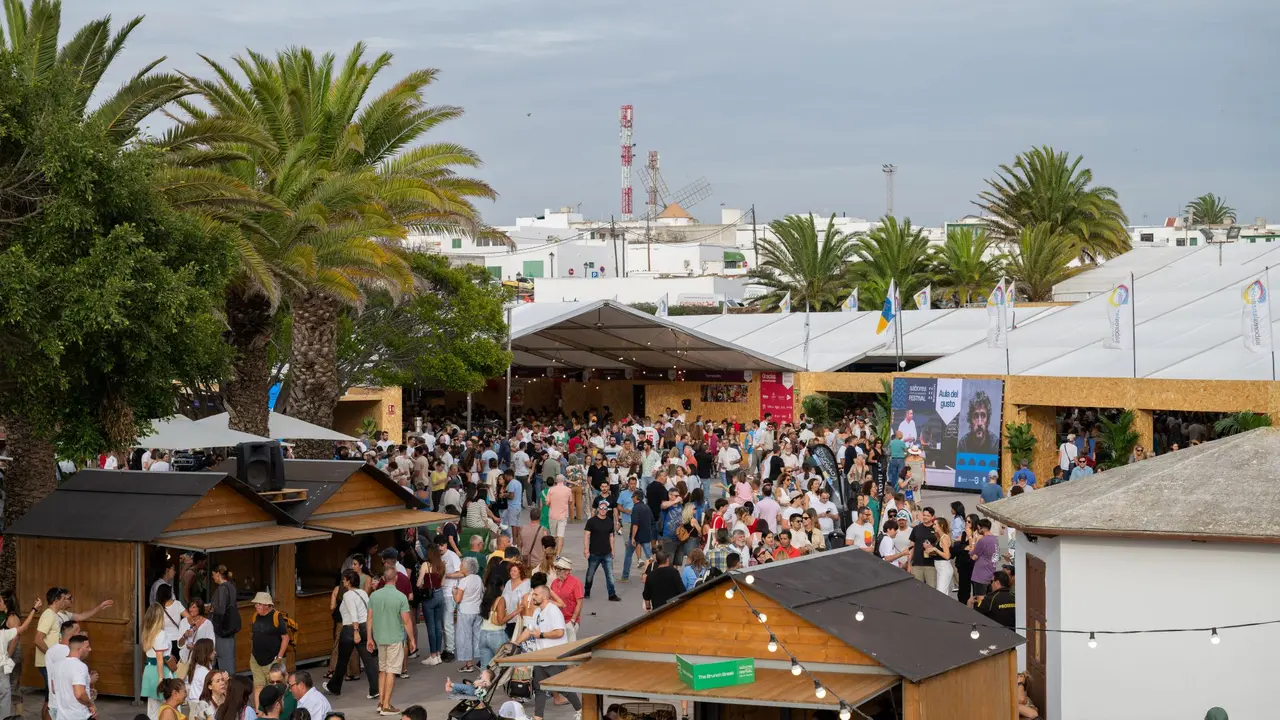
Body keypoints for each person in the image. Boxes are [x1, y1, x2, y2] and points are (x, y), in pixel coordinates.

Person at [514, 586, 581, 720]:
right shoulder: (538, 611)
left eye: (536, 595)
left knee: (561, 687)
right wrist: (515, 644)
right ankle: (538, 717)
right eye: (533, 594)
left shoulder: (553, 611)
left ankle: (581, 710)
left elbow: (560, 632)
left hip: (553, 657)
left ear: (544, 596)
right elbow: (530, 630)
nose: (533, 597)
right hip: (541, 657)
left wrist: (542, 635)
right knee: (539, 689)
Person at [324, 569, 378, 699]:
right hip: (365, 626)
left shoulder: (348, 595)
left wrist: (355, 631)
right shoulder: (363, 593)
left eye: (344, 579)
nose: (343, 581)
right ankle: (374, 689)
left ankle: (335, 686)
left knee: (342, 660)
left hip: (350, 629)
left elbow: (353, 614)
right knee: (368, 660)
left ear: (349, 582)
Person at [369, 565, 415, 715]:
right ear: (396, 578)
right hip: (395, 637)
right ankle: (386, 705)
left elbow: (369, 618)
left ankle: (381, 702)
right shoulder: (401, 597)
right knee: (391, 671)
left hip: (379, 637)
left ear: (383, 579)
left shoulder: (374, 596)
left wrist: (369, 638)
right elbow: (407, 621)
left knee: (382, 670)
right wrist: (412, 639)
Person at [0, 596, 39, 718]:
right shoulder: (4, 631)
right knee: (6, 690)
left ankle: (17, 716)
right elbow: (22, 628)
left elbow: (18, 634)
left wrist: (7, 656)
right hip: (5, 659)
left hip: (10, 657)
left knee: (12, 688)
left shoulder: (11, 619)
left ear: (7, 603)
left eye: (0, 600)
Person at [248, 593, 289, 706]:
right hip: (256, 659)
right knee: (258, 686)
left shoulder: (276, 617)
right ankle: (258, 713)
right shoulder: (255, 615)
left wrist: (279, 658)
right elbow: (254, 635)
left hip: (272, 660)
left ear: (267, 605)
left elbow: (285, 638)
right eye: (256, 604)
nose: (256, 606)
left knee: (275, 689)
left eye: (259, 604)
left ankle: (278, 712)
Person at [583, 500, 620, 601]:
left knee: (610, 574)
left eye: (605, 508)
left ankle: (612, 594)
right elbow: (586, 535)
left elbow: (611, 536)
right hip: (594, 553)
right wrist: (586, 549)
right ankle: (587, 591)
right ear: (598, 509)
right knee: (590, 574)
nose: (603, 510)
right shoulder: (591, 521)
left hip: (607, 553)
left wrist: (613, 550)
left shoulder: (609, 521)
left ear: (607, 510)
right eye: (601, 508)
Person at [51, 635, 94, 720]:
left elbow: (53, 689)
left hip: (61, 717)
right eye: (87, 647)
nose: (90, 649)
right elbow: (79, 694)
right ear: (80, 650)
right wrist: (90, 704)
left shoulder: (56, 665)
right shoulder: (80, 666)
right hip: (79, 716)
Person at [453, 557, 484, 673]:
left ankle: (468, 663)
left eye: (462, 565)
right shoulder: (478, 578)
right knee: (477, 636)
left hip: (466, 611)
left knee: (465, 637)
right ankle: (481, 660)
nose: (460, 566)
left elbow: (458, 599)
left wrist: (454, 592)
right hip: (477, 610)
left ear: (467, 567)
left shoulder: (464, 581)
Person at [210, 566, 240, 672]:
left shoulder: (222, 588)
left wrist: (213, 609)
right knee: (229, 660)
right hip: (229, 628)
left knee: (223, 661)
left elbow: (221, 609)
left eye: (213, 574)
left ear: (218, 574)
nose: (212, 577)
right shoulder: (231, 586)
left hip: (222, 628)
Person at [622, 489, 653, 583]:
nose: (631, 498)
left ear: (635, 497)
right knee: (650, 557)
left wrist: (633, 537)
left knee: (628, 555)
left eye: (632, 497)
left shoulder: (635, 508)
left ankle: (625, 576)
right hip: (646, 536)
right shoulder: (647, 507)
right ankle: (652, 575)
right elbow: (652, 521)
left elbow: (635, 524)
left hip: (637, 536)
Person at [549, 558, 584, 641]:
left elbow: (580, 603)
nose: (556, 571)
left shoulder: (576, 582)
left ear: (567, 571)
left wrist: (573, 620)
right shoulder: (554, 582)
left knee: (569, 646)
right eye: (556, 568)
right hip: (556, 620)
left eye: (559, 569)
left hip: (569, 620)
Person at [969, 519, 1000, 598]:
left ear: (982, 528)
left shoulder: (983, 540)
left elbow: (973, 554)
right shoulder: (995, 539)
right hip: (990, 573)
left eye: (978, 527)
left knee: (978, 599)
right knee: (988, 599)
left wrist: (973, 541)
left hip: (980, 575)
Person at [928, 516, 954, 595]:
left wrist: (935, 550)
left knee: (941, 593)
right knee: (941, 592)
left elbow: (947, 556)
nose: (933, 526)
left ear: (941, 526)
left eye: (935, 524)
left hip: (944, 568)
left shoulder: (944, 538)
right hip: (941, 568)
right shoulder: (940, 538)